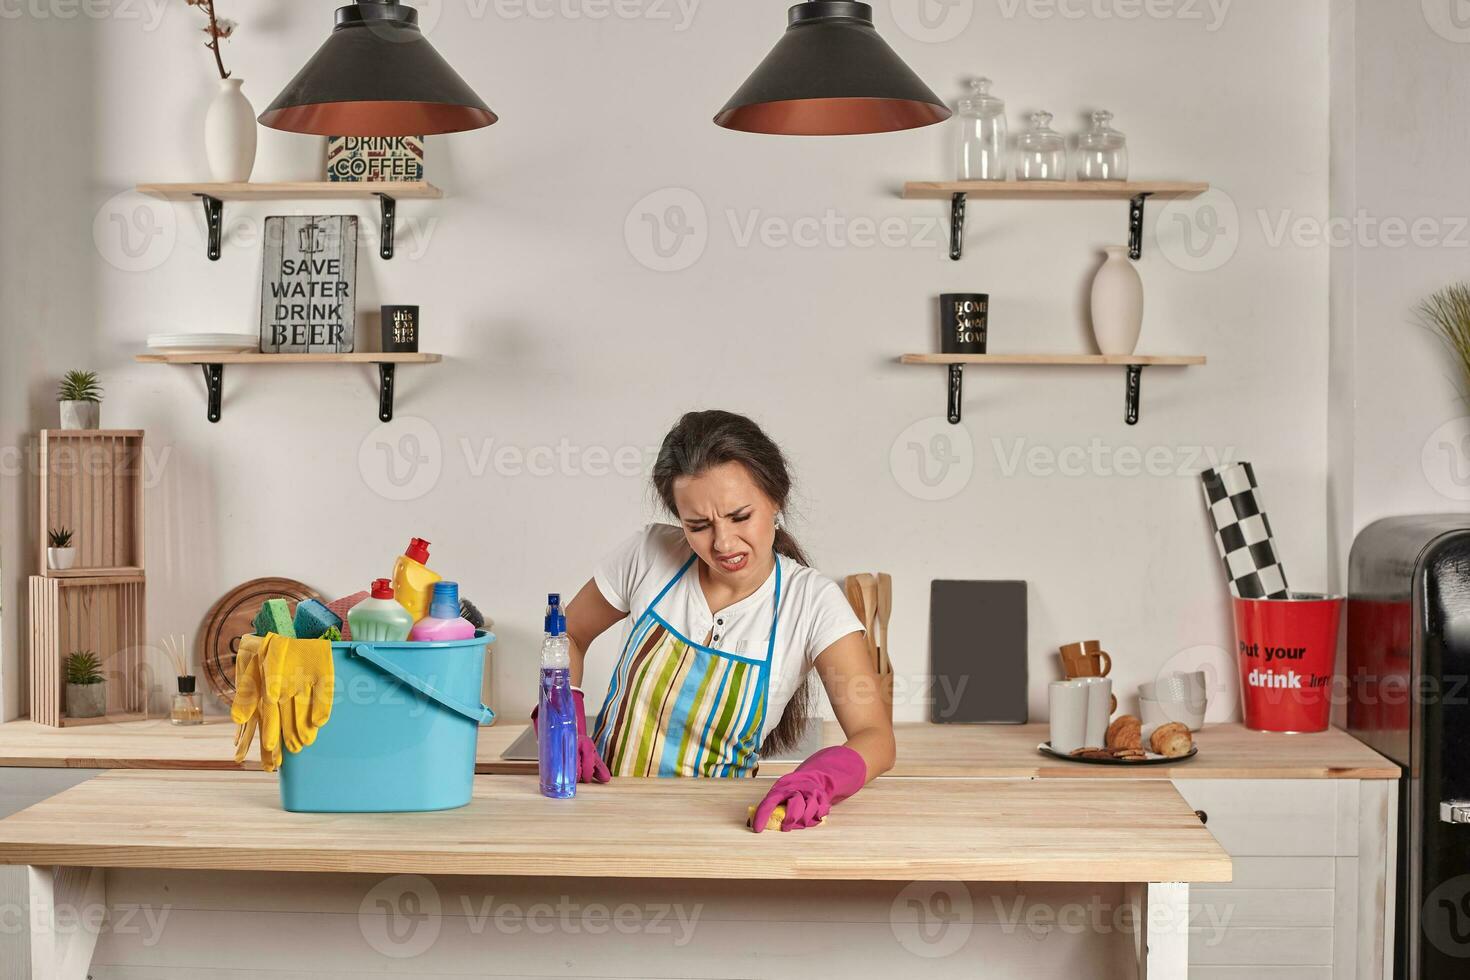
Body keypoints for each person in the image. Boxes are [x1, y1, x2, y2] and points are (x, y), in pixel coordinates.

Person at [558, 410, 895, 832]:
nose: (722, 543)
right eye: (697, 525)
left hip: (717, 830)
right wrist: (561, 710)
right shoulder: (649, 554)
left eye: (740, 517)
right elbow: (567, 633)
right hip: (602, 812)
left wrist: (821, 779)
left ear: (775, 498)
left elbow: (876, 737)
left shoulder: (812, 603)